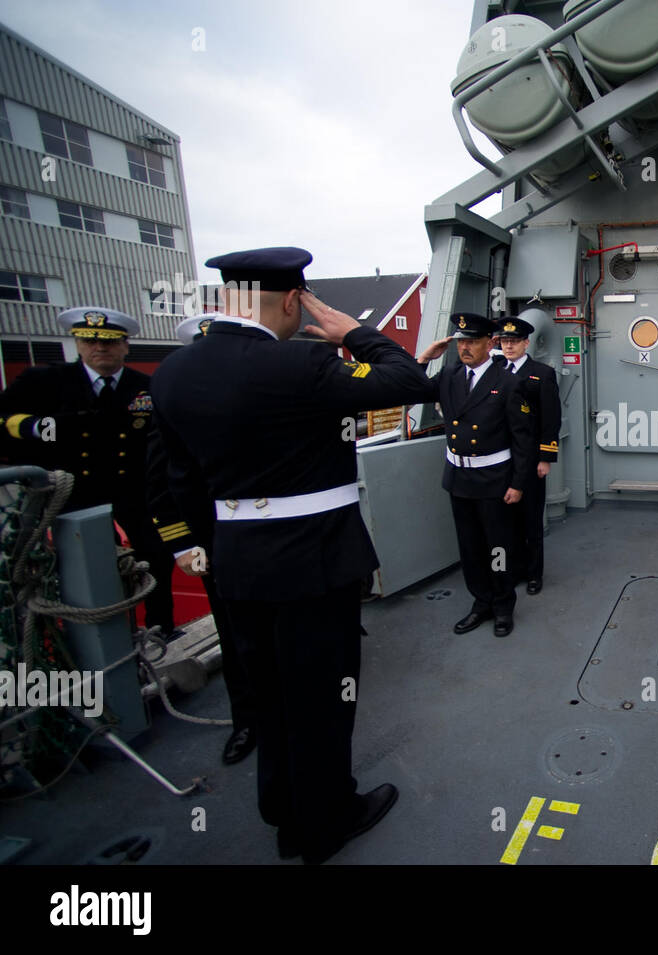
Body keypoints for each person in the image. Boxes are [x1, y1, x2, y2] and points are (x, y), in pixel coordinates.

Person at [151, 247, 435, 864]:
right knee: (323, 699)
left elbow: (181, 482)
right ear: (290, 300)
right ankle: (324, 823)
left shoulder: (172, 375)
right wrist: (354, 331)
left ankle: (281, 810)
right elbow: (414, 381)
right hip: (314, 562)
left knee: (269, 695)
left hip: (238, 564)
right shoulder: (301, 361)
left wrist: (227, 541)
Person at [0, 307, 177, 637]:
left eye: (110, 342)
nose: (100, 348)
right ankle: (103, 639)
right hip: (73, 495)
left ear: (125, 346)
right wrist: (35, 428)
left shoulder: (147, 388)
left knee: (154, 557)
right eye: (90, 341)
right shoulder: (46, 382)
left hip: (135, 493)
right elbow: (3, 418)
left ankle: (161, 628)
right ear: (78, 344)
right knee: (89, 569)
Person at [144, 314, 255, 766]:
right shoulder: (177, 411)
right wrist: (183, 545)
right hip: (215, 542)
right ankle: (248, 719)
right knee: (234, 633)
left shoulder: (258, 404)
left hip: (268, 539)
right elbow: (159, 484)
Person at [417, 313, 532, 636]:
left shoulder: (508, 382)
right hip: (459, 478)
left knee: (498, 548)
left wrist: (518, 483)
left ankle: (502, 607)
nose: (464, 348)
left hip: (494, 479)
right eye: (460, 342)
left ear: (489, 343)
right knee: (469, 548)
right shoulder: (449, 376)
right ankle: (480, 602)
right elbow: (410, 388)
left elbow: (523, 438)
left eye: (472, 341)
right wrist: (426, 357)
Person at [495, 312, 560, 595]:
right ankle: (515, 570)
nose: (509, 347)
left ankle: (534, 574)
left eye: (515, 341)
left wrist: (545, 458)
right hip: (500, 459)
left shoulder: (541, 374)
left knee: (531, 520)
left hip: (531, 459)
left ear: (526, 343)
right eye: (505, 341)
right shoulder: (495, 372)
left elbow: (551, 419)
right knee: (506, 523)